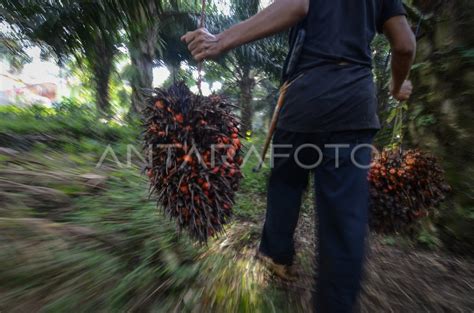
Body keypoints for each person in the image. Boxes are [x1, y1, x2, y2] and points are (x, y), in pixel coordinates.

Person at [181, 0, 416, 312]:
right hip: (352, 106)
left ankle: (275, 255)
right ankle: (335, 304)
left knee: (286, 182)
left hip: (302, 100)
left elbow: (298, 4)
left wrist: (222, 39)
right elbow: (404, 45)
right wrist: (397, 85)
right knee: (344, 217)